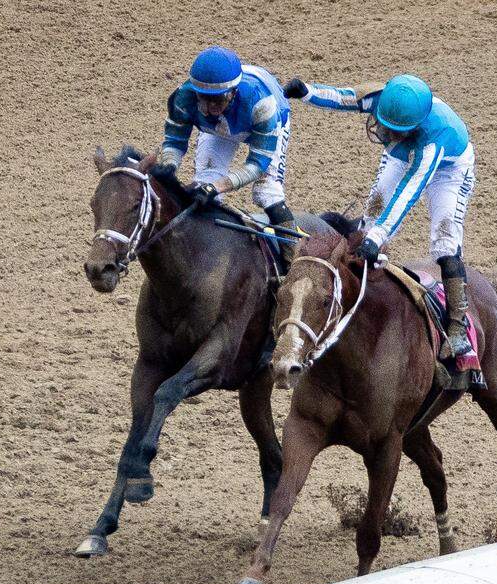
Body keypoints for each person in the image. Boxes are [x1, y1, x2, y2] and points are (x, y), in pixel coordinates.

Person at [282, 73, 477, 358]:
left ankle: (458, 329)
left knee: (445, 242)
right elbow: (345, 97)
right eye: (384, 125)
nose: (385, 132)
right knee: (372, 213)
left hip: (449, 171)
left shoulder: (435, 140)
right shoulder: (384, 100)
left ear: (413, 127)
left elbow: (409, 193)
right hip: (404, 151)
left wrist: (378, 237)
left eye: (394, 130)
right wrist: (308, 92)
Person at [156, 46, 298, 270]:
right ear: (195, 92)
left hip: (266, 121)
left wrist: (218, 187)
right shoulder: (183, 97)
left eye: (219, 100)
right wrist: (168, 169)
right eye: (204, 99)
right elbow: (174, 142)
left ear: (233, 92)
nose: (212, 108)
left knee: (266, 193)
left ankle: (293, 263)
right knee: (204, 182)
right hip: (220, 129)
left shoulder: (262, 105)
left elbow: (257, 165)